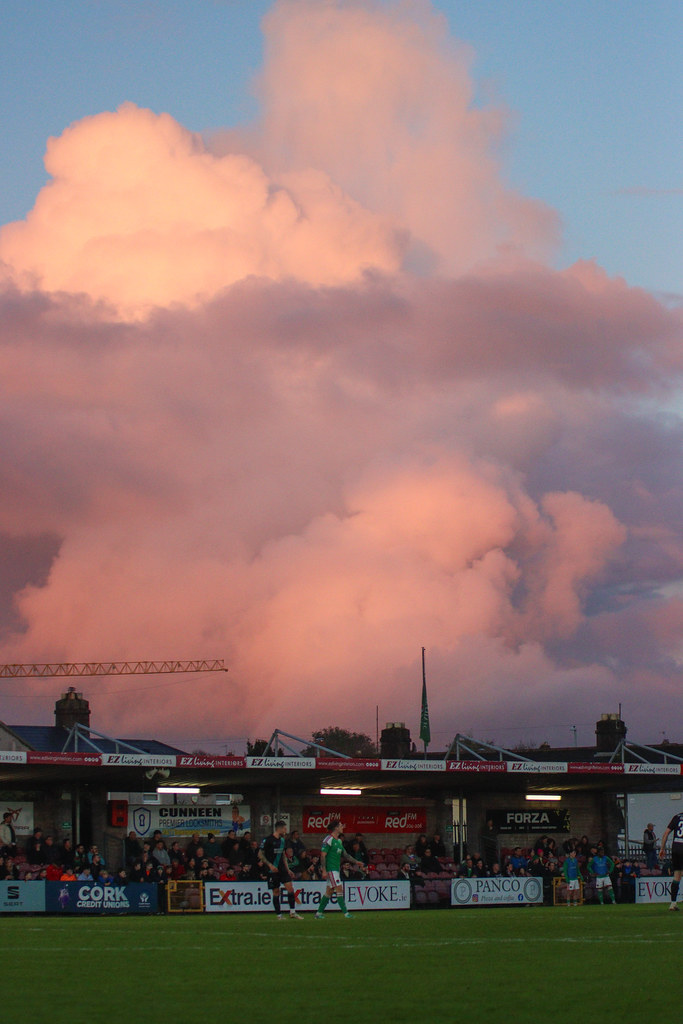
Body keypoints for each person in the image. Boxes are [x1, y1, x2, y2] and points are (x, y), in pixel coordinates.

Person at [315, 819, 365, 919]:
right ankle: (346, 913)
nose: (343, 827)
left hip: (335, 870)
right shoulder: (328, 840)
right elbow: (323, 855)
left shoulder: (338, 841)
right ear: (336, 828)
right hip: (331, 870)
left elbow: (346, 855)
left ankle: (319, 913)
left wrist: (357, 862)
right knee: (339, 889)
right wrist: (324, 870)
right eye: (341, 826)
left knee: (329, 891)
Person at [258, 820, 303, 920]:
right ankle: (279, 915)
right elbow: (260, 854)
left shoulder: (282, 840)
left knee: (290, 889)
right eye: (285, 828)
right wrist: (270, 866)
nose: (286, 830)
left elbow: (283, 856)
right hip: (272, 871)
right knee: (276, 892)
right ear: (280, 828)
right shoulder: (268, 840)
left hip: (282, 869)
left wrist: (288, 869)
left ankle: (292, 912)